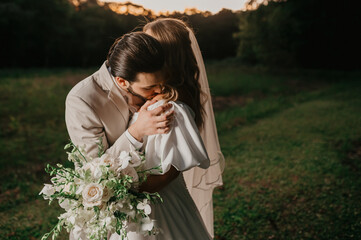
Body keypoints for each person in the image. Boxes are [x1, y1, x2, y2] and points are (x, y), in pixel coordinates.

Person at [65, 32, 175, 240]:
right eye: (150, 87)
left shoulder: (153, 84)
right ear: (122, 81)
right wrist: (136, 132)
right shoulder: (81, 100)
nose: (160, 89)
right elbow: (94, 169)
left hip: (156, 208)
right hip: (107, 212)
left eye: (161, 82)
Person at [143, 18, 225, 239]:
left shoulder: (171, 107)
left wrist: (127, 187)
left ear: (165, 55)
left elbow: (168, 174)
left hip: (160, 204)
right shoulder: (177, 94)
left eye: (148, 46)